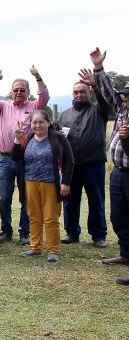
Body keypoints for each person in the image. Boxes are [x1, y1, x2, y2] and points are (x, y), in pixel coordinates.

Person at [0, 66, 49, 245]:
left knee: (26, 197)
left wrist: (37, 76)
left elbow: (44, 96)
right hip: (5, 158)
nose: (19, 92)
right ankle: (6, 230)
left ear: (28, 92)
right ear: (11, 92)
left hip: (27, 159)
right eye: (16, 90)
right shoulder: (2, 106)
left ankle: (25, 232)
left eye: (22, 90)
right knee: (4, 197)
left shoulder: (34, 107)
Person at [55, 76, 111, 247]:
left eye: (82, 92)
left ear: (90, 94)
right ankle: (72, 233)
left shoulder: (99, 110)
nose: (79, 95)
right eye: (76, 92)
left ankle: (98, 235)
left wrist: (96, 85)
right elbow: (56, 137)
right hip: (71, 165)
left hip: (93, 163)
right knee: (70, 199)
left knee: (96, 199)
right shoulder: (63, 115)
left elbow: (105, 102)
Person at [89, 48, 129, 283]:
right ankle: (126, 253)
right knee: (118, 216)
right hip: (118, 172)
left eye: (127, 95)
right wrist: (98, 68)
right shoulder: (123, 109)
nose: (124, 98)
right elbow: (107, 92)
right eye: (124, 95)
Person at [12, 110, 73, 262]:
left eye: (41, 122)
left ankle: (53, 250)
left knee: (51, 217)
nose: (38, 125)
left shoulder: (58, 138)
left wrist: (65, 182)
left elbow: (70, 161)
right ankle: (35, 248)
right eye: (34, 122)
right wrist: (17, 139)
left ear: (49, 122)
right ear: (30, 124)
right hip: (30, 182)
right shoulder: (28, 138)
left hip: (50, 182)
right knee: (34, 216)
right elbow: (16, 157)